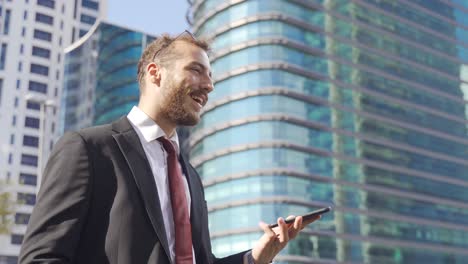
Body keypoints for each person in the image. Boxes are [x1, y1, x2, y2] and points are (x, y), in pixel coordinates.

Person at [19, 31, 320, 264]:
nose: (209, 85)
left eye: (211, 76)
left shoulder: (191, 177)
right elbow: (41, 257)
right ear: (155, 73)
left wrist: (254, 257)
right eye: (196, 70)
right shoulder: (89, 149)